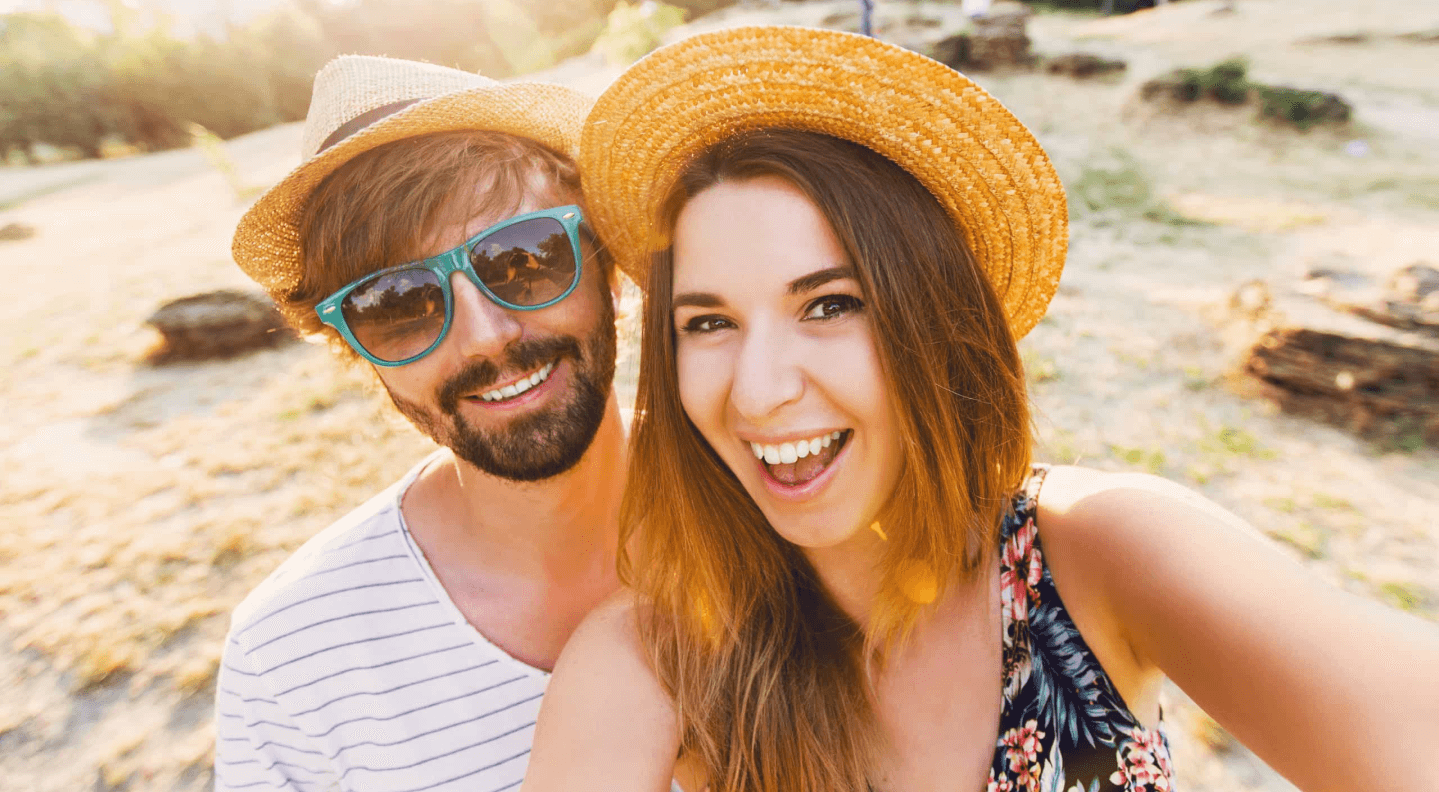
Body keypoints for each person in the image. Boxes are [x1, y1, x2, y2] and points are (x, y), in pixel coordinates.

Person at [521, 26, 1439, 792]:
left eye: (830, 305)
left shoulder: (1094, 556)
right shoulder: (655, 663)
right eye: (708, 321)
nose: (757, 391)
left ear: (935, 320)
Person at [216, 55, 629, 791]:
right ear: (353, 349)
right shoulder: (288, 662)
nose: (487, 336)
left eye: (522, 257)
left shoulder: (787, 501)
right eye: (396, 306)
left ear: (607, 259)